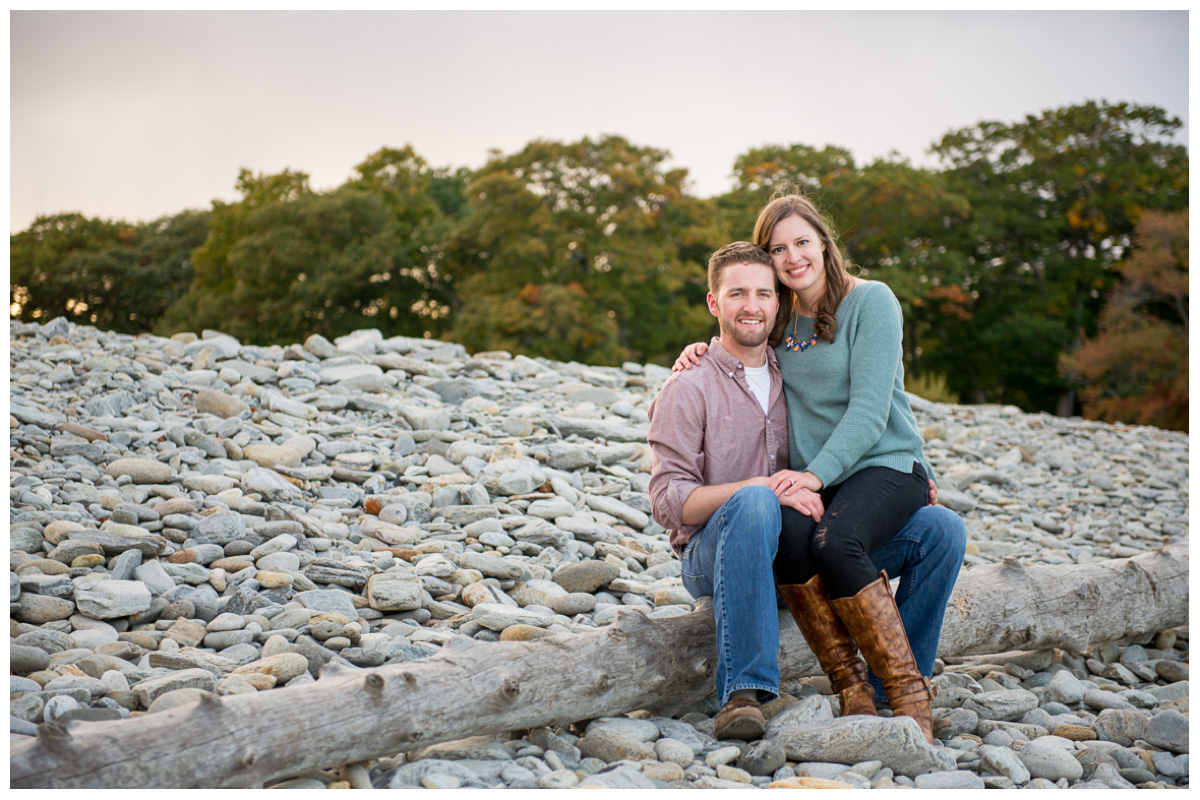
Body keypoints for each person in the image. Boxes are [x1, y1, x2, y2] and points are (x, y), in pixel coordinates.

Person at [652, 241, 964, 742]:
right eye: (736, 294)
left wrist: (906, 475)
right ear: (714, 304)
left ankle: (897, 692)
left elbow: (862, 417)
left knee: (941, 529)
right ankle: (742, 693)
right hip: (718, 554)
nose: (750, 306)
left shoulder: (788, 368)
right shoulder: (689, 386)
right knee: (755, 503)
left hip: (795, 552)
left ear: (778, 302)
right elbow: (669, 503)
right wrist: (757, 488)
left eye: (762, 293)